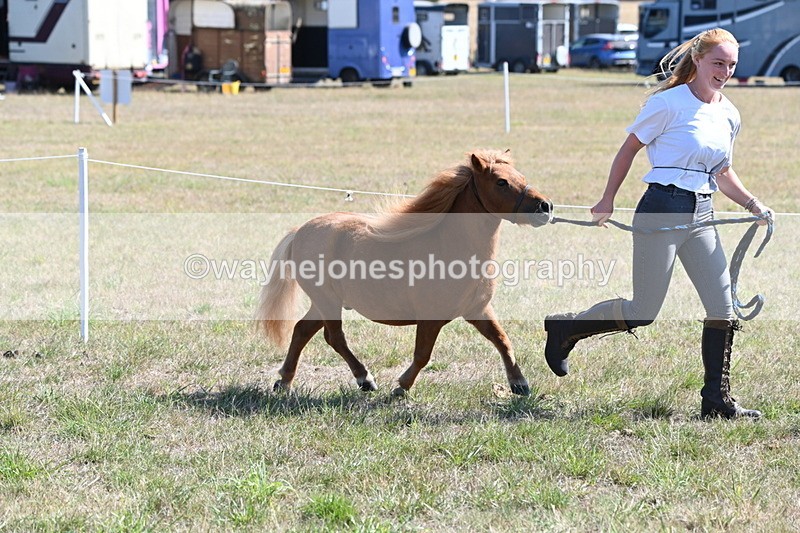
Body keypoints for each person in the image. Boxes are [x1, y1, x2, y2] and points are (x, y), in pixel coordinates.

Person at [544, 28, 773, 419]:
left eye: (732, 65)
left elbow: (722, 170)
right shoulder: (668, 104)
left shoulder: (729, 113)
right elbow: (629, 149)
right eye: (718, 62)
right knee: (644, 309)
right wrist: (607, 199)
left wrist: (753, 203)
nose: (725, 71)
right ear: (698, 59)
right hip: (661, 208)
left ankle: (716, 401)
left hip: (703, 213)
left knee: (723, 310)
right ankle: (566, 329)